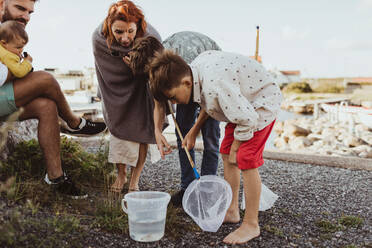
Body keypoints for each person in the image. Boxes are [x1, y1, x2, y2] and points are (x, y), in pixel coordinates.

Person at [148, 49, 282, 245]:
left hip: (260, 105)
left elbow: (248, 119)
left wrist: (238, 146)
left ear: (185, 83)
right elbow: (209, 103)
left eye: (174, 98)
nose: (174, 103)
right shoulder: (195, 71)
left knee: (244, 157)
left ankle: (251, 224)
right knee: (226, 152)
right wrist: (193, 130)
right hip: (240, 105)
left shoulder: (215, 86)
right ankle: (232, 210)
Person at [0, 0, 107, 199]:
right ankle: (74, 122)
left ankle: (56, 178)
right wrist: (23, 68)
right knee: (46, 79)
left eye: (30, 12)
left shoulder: (9, 32)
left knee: (47, 106)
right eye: (20, 8)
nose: (26, 17)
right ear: (1, 4)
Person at [92, 0, 161, 193]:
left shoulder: (151, 37)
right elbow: (104, 68)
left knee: (141, 134)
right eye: (119, 32)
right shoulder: (99, 38)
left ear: (137, 26)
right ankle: (121, 174)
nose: (125, 38)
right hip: (114, 89)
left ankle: (135, 179)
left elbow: (156, 68)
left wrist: (138, 67)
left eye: (130, 31)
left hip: (141, 89)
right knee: (118, 132)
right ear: (109, 27)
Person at [162, 32, 221, 207]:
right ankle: (188, 187)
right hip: (183, 81)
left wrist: (195, 130)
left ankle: (207, 190)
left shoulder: (207, 75)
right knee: (183, 136)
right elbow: (159, 100)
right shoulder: (167, 72)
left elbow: (209, 104)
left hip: (210, 82)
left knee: (211, 138)